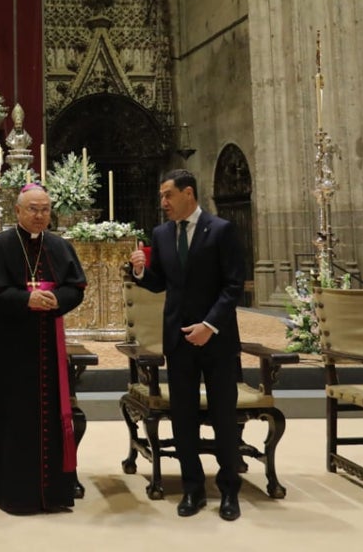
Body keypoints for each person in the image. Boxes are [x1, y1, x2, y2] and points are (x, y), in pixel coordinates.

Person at [128, 169, 246, 521]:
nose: (163, 203)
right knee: (183, 418)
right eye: (162, 196)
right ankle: (192, 488)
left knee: (224, 417)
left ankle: (229, 491)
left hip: (216, 340)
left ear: (188, 194)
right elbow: (160, 282)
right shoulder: (162, 234)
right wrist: (139, 272)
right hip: (179, 340)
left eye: (168, 195)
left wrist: (209, 325)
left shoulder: (221, 230)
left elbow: (233, 286)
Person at [0, 182, 87, 514]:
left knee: (49, 410)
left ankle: (54, 490)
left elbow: (76, 289)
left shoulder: (60, 246)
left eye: (45, 209)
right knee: (11, 410)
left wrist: (55, 300)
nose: (39, 215)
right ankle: (7, 489)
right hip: (10, 343)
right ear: (17, 211)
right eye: (32, 209)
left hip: (49, 340)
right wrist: (25, 299)